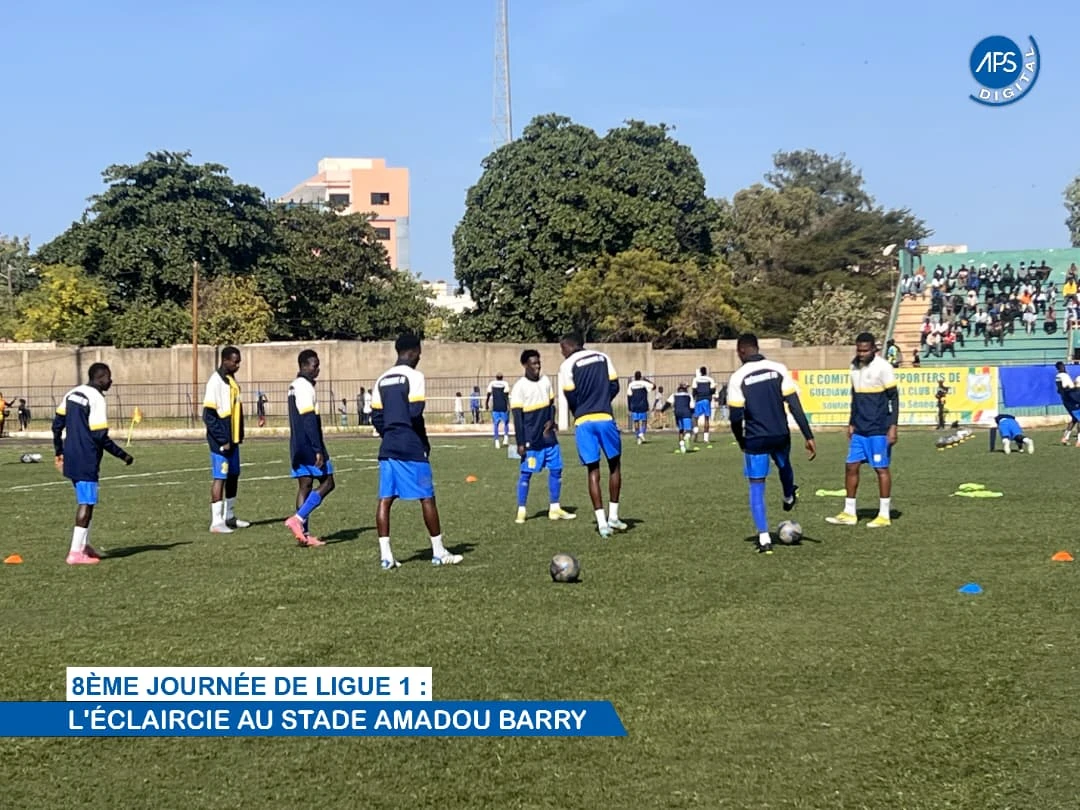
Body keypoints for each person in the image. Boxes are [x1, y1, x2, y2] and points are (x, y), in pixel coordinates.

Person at [372, 333, 462, 569]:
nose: (420, 356)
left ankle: (386, 556)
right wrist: (421, 441)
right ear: (412, 352)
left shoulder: (381, 379)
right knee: (427, 497)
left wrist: (389, 432)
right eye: (419, 351)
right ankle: (439, 551)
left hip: (388, 446)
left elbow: (376, 416)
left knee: (385, 499)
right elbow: (415, 412)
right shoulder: (414, 376)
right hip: (410, 445)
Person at [727, 334, 816, 554]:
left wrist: (741, 441)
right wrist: (808, 435)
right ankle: (788, 495)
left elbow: (736, 417)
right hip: (780, 434)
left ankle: (765, 538)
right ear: (757, 348)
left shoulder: (738, 377)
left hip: (756, 439)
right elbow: (794, 405)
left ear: (740, 352)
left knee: (757, 486)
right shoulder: (778, 369)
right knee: (785, 466)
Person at [51, 363, 134, 565]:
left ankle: (84, 546)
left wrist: (59, 452)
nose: (111, 382)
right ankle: (74, 553)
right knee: (86, 503)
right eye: (109, 377)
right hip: (86, 457)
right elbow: (99, 436)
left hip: (71, 454)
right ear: (100, 378)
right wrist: (123, 455)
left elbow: (56, 425)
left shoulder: (73, 393)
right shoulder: (96, 398)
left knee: (86, 501)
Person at [826, 332, 899, 528]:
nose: (861, 353)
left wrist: (892, 427)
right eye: (859, 350)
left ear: (874, 349)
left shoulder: (883, 367)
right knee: (851, 466)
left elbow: (894, 398)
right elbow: (855, 396)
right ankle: (849, 512)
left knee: (880, 468)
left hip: (878, 428)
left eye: (865, 350)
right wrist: (851, 422)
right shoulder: (853, 366)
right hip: (860, 428)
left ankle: (884, 515)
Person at [558, 333, 626, 538]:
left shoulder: (567, 365)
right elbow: (615, 385)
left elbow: (570, 395)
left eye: (562, 348)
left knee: (593, 471)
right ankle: (614, 515)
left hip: (583, 422)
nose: (561, 353)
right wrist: (602, 399)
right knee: (614, 465)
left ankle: (602, 523)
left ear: (568, 346)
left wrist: (581, 410)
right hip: (604, 417)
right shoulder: (602, 357)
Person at [510, 349, 575, 524]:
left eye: (538, 363)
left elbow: (551, 405)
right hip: (531, 440)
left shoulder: (546, 381)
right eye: (533, 363)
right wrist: (520, 443)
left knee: (556, 469)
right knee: (526, 473)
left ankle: (554, 508)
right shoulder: (519, 388)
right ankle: (521, 510)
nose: (537, 366)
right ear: (525, 365)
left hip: (549, 437)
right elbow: (517, 418)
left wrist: (551, 421)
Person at [283, 350, 335, 547]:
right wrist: (317, 448)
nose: (318, 370)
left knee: (305, 485)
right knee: (328, 482)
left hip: (297, 444)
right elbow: (308, 419)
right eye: (315, 365)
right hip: (309, 445)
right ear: (304, 365)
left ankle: (303, 536)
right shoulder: (304, 387)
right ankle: (298, 518)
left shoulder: (293, 386)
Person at [203, 346, 249, 533]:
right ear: (225, 360)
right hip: (221, 442)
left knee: (233, 476)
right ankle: (216, 522)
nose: (237, 365)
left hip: (234, 440)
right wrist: (222, 439)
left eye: (239, 361)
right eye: (234, 361)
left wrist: (238, 435)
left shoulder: (230, 380)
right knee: (220, 477)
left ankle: (229, 516)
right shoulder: (215, 382)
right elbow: (208, 416)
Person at [662, 383, 695, 453]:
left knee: (681, 430)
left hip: (678, 413)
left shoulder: (674, 395)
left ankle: (682, 447)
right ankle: (687, 437)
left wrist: (662, 410)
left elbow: (668, 403)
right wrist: (692, 413)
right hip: (686, 413)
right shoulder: (689, 395)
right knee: (688, 430)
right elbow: (692, 406)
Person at [1055, 362, 1080, 446]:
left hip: (1068, 400)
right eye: (1062, 366)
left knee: (1075, 419)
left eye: (1063, 366)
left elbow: (1059, 390)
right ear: (1059, 368)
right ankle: (1079, 441)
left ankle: (1065, 437)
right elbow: (1066, 388)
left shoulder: (1059, 376)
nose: (1064, 367)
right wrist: (1075, 388)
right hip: (1072, 400)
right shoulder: (1062, 376)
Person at [626, 371, 654, 445]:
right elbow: (654, 386)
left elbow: (629, 396)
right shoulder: (644, 383)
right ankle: (642, 433)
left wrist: (629, 407)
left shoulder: (631, 384)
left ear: (634, 377)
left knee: (636, 421)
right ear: (640, 376)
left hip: (634, 405)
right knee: (644, 421)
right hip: (643, 405)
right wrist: (646, 380)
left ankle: (638, 437)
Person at [691, 367, 716, 446]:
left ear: (700, 372)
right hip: (707, 400)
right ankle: (706, 438)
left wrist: (694, 398)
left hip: (699, 400)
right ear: (706, 372)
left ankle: (696, 433)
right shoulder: (710, 379)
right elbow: (713, 391)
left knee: (695, 418)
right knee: (706, 418)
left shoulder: (696, 379)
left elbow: (694, 390)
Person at [486, 373, 511, 448]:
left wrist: (486, 403)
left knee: (496, 424)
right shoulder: (505, 383)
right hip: (503, 407)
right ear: (502, 377)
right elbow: (506, 396)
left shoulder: (492, 383)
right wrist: (509, 405)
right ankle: (506, 437)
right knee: (506, 423)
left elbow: (488, 394)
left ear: (496, 377)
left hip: (495, 407)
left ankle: (497, 441)